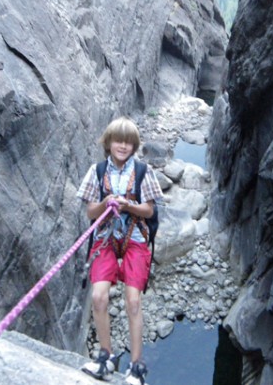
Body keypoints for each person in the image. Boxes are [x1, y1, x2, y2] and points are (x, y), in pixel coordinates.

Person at [77, 116, 163, 385]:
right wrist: (106, 203)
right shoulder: (97, 171)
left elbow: (149, 210)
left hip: (135, 238)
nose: (123, 146)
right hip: (105, 239)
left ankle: (137, 366)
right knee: (99, 297)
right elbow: (90, 211)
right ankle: (106, 356)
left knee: (133, 301)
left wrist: (128, 206)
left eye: (128, 142)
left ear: (134, 145)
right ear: (109, 143)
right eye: (118, 141)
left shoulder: (142, 171)